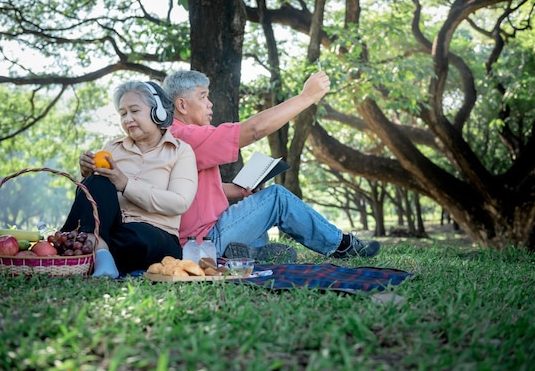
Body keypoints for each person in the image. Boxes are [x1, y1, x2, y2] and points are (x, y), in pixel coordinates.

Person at [162, 69, 380, 263]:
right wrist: (307, 97)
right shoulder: (186, 137)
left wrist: (237, 190)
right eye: (203, 97)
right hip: (203, 241)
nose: (210, 104)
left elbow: (196, 190)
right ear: (182, 104)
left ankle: (245, 254)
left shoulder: (175, 137)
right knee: (276, 197)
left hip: (206, 234)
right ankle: (342, 245)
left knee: (261, 223)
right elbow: (254, 130)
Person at [60, 80, 198, 278]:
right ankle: (101, 254)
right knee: (97, 182)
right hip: (109, 231)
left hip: (153, 235)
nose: (127, 119)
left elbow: (179, 202)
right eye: (123, 114)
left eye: (134, 111)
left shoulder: (180, 151)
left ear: (157, 111)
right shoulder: (112, 147)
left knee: (140, 239)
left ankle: (91, 252)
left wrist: (125, 185)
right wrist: (87, 174)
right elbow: (92, 200)